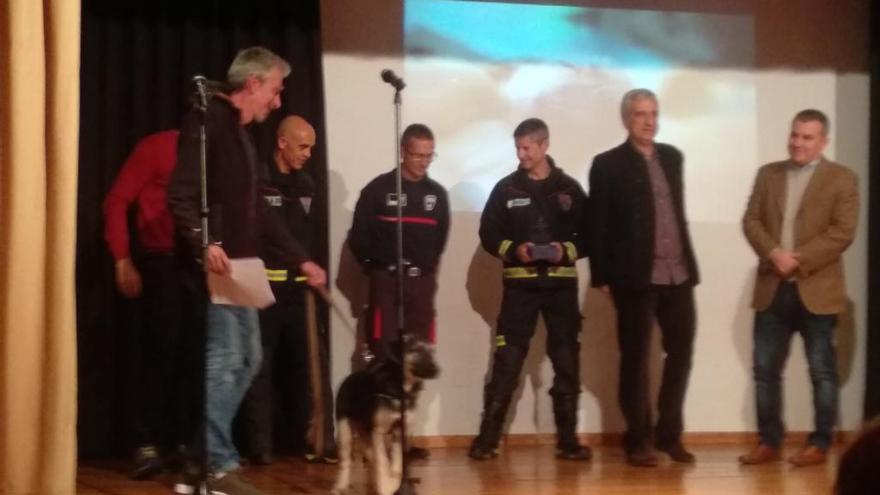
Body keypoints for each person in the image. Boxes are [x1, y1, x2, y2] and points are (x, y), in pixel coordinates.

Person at [168, 47, 326, 495]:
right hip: (220, 265)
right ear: (253, 84)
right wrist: (205, 243)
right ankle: (216, 464)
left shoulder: (239, 134)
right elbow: (181, 194)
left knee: (248, 360)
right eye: (275, 90)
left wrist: (302, 259)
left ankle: (199, 459)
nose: (277, 102)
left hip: (243, 266)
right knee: (225, 364)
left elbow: (260, 212)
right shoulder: (207, 122)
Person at [739, 109, 858, 467]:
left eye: (807, 137)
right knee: (765, 371)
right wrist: (774, 253)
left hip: (817, 290)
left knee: (822, 371)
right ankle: (768, 442)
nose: (798, 143)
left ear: (823, 141)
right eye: (794, 135)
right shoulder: (768, 174)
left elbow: (843, 231)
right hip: (773, 287)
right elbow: (751, 220)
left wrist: (799, 258)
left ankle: (819, 444)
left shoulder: (843, 179)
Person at [588, 89, 700, 467]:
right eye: (640, 114)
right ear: (626, 119)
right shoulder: (607, 164)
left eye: (654, 113)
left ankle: (669, 435)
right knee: (635, 360)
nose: (649, 121)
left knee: (681, 355)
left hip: (678, 273)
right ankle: (638, 440)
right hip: (635, 278)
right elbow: (598, 223)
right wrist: (602, 274)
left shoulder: (672, 157)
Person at [469, 118, 590, 461]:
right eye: (517, 148)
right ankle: (486, 440)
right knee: (507, 363)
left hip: (561, 290)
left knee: (567, 363)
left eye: (527, 148)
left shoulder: (569, 188)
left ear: (544, 145)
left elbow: (589, 235)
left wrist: (562, 250)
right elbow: (489, 234)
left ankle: (568, 442)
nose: (521, 155)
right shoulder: (506, 189)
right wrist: (514, 250)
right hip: (519, 291)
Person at [346, 123, 450, 458]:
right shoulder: (378, 190)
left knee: (417, 358)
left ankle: (405, 440)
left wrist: (424, 269)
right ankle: (375, 437)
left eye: (428, 156)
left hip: (421, 285)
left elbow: (439, 240)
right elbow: (358, 238)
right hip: (386, 281)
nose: (423, 162)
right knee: (382, 355)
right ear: (403, 151)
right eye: (417, 155)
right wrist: (377, 267)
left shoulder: (438, 195)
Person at [239, 115, 337, 465]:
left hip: (300, 293)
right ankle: (259, 448)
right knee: (259, 368)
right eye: (303, 146)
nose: (308, 153)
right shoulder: (260, 181)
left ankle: (322, 442)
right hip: (265, 290)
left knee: (314, 366)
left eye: (311, 146)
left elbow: (306, 234)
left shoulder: (307, 184)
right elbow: (268, 234)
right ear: (282, 143)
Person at [103, 129, 198, 479]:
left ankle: (182, 444)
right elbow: (116, 200)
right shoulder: (159, 147)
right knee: (161, 353)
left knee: (194, 357)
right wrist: (122, 258)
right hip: (163, 261)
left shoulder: (219, 151)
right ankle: (146, 443)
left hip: (202, 264)